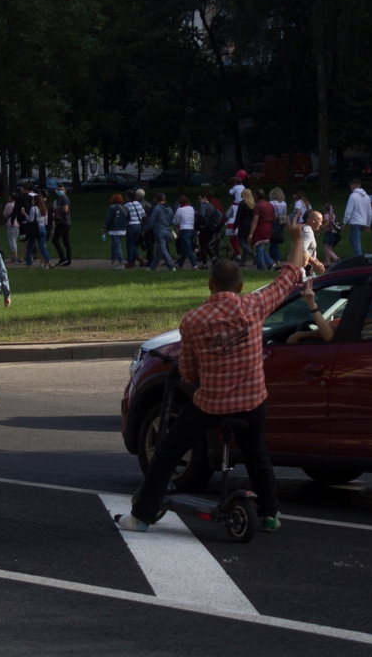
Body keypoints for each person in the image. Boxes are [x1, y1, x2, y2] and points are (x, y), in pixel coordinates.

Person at [114, 215, 309, 534]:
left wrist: (198, 377)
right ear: (241, 285)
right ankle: (270, 514)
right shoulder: (255, 306)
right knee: (257, 452)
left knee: (167, 451)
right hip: (252, 402)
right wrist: (297, 240)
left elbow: (189, 372)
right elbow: (289, 277)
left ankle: (142, 515)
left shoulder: (193, 320)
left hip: (212, 405)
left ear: (209, 284)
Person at [145, 192, 177, 272]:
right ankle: (152, 268)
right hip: (167, 231)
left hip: (159, 231)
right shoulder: (169, 208)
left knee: (162, 249)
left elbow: (151, 220)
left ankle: (171, 266)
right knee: (158, 251)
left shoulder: (157, 208)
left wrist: (145, 229)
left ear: (156, 199)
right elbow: (171, 221)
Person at [343, 178, 372, 257]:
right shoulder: (367, 197)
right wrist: (368, 223)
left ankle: (359, 258)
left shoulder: (353, 196)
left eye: (351, 186)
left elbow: (349, 210)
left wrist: (344, 222)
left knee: (356, 241)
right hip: (363, 222)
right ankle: (357, 255)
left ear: (353, 185)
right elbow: (369, 212)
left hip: (355, 222)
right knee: (352, 238)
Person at [251, 187, 276, 270]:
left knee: (260, 250)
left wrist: (251, 234)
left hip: (261, 229)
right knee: (261, 248)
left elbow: (255, 220)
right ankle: (270, 263)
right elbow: (274, 217)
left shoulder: (258, 206)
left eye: (254, 195)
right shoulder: (269, 204)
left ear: (257, 196)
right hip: (269, 228)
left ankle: (261, 268)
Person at [102, 194, 129, 269]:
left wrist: (104, 227)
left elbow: (109, 218)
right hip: (123, 229)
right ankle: (112, 262)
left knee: (117, 246)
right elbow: (128, 217)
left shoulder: (112, 207)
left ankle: (121, 264)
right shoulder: (125, 207)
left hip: (114, 229)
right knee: (114, 246)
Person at [172, 194, 199, 269]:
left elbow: (176, 222)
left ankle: (195, 265)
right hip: (192, 230)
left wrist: (173, 219)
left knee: (188, 249)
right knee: (183, 249)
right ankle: (180, 265)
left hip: (184, 231)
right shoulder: (191, 208)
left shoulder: (179, 210)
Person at [24, 195, 51, 268]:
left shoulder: (33, 208)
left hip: (35, 228)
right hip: (43, 228)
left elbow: (31, 219)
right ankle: (49, 261)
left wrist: (25, 214)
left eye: (33, 200)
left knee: (30, 246)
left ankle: (29, 263)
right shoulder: (45, 209)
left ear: (35, 201)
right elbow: (46, 222)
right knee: (42, 247)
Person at [125, 189, 148, 268]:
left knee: (129, 245)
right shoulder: (138, 203)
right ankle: (137, 257)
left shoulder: (127, 205)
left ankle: (131, 262)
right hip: (138, 225)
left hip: (130, 225)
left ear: (128, 197)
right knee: (133, 244)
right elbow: (143, 214)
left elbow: (125, 216)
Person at [301, 209, 326, 276]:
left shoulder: (307, 229)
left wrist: (318, 263)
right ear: (314, 220)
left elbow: (309, 251)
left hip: (307, 267)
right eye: (320, 221)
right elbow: (302, 249)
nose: (321, 224)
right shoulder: (308, 231)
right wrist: (315, 264)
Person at [234, 189, 256, 265]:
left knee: (241, 242)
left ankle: (253, 254)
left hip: (243, 224)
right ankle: (244, 260)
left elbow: (238, 216)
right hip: (251, 224)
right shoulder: (253, 204)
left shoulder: (242, 204)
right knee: (245, 242)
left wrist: (234, 226)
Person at [268, 188, 288, 263]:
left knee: (274, 242)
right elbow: (285, 213)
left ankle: (277, 260)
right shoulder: (284, 203)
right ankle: (271, 258)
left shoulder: (271, 203)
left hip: (274, 222)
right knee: (274, 241)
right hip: (282, 222)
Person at [3, 192, 20, 261]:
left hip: (11, 224)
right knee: (14, 240)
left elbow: (5, 214)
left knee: (12, 241)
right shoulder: (18, 204)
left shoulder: (8, 205)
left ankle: (15, 255)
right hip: (18, 224)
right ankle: (13, 255)